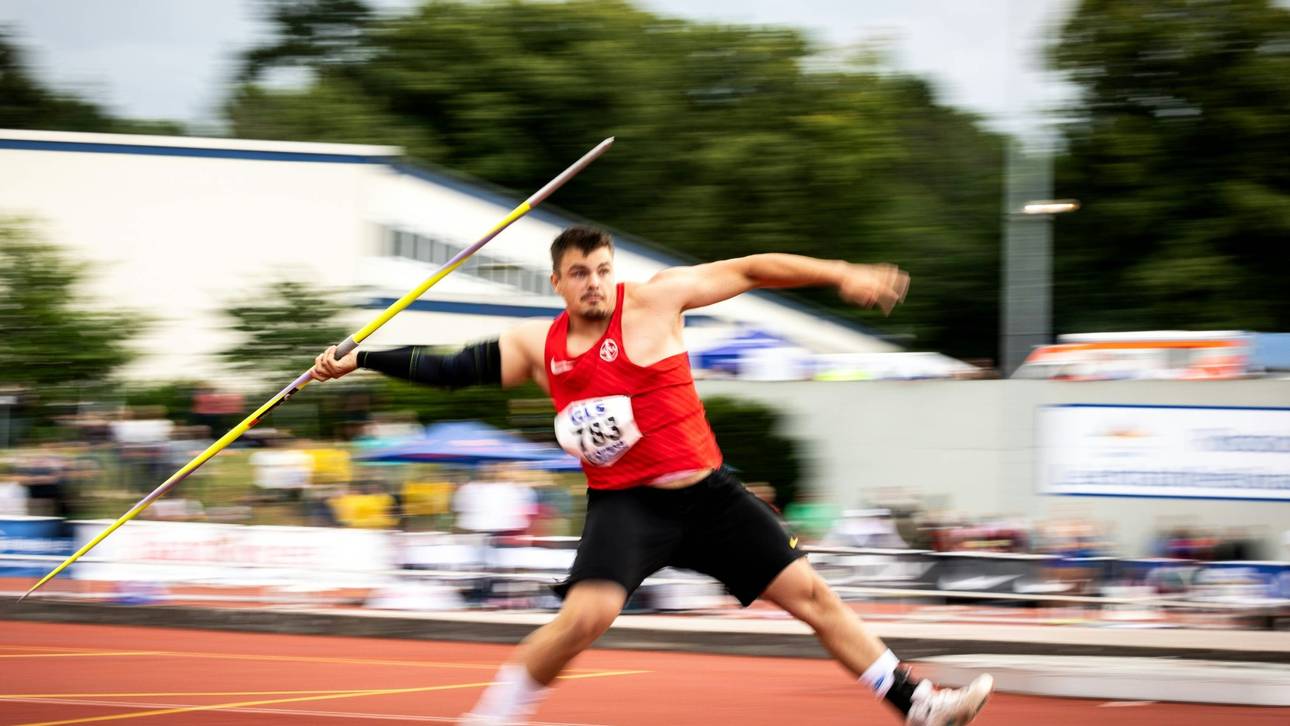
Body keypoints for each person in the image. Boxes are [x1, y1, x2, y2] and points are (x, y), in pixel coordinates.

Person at [311, 226, 992, 726]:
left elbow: (752, 269)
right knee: (587, 616)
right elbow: (452, 368)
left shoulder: (658, 300)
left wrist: (840, 272)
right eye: (579, 273)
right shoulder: (535, 345)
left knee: (811, 595)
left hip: (710, 496)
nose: (595, 282)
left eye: (603, 269)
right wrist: (364, 358)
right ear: (557, 283)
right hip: (627, 506)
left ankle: (917, 704)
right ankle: (492, 717)